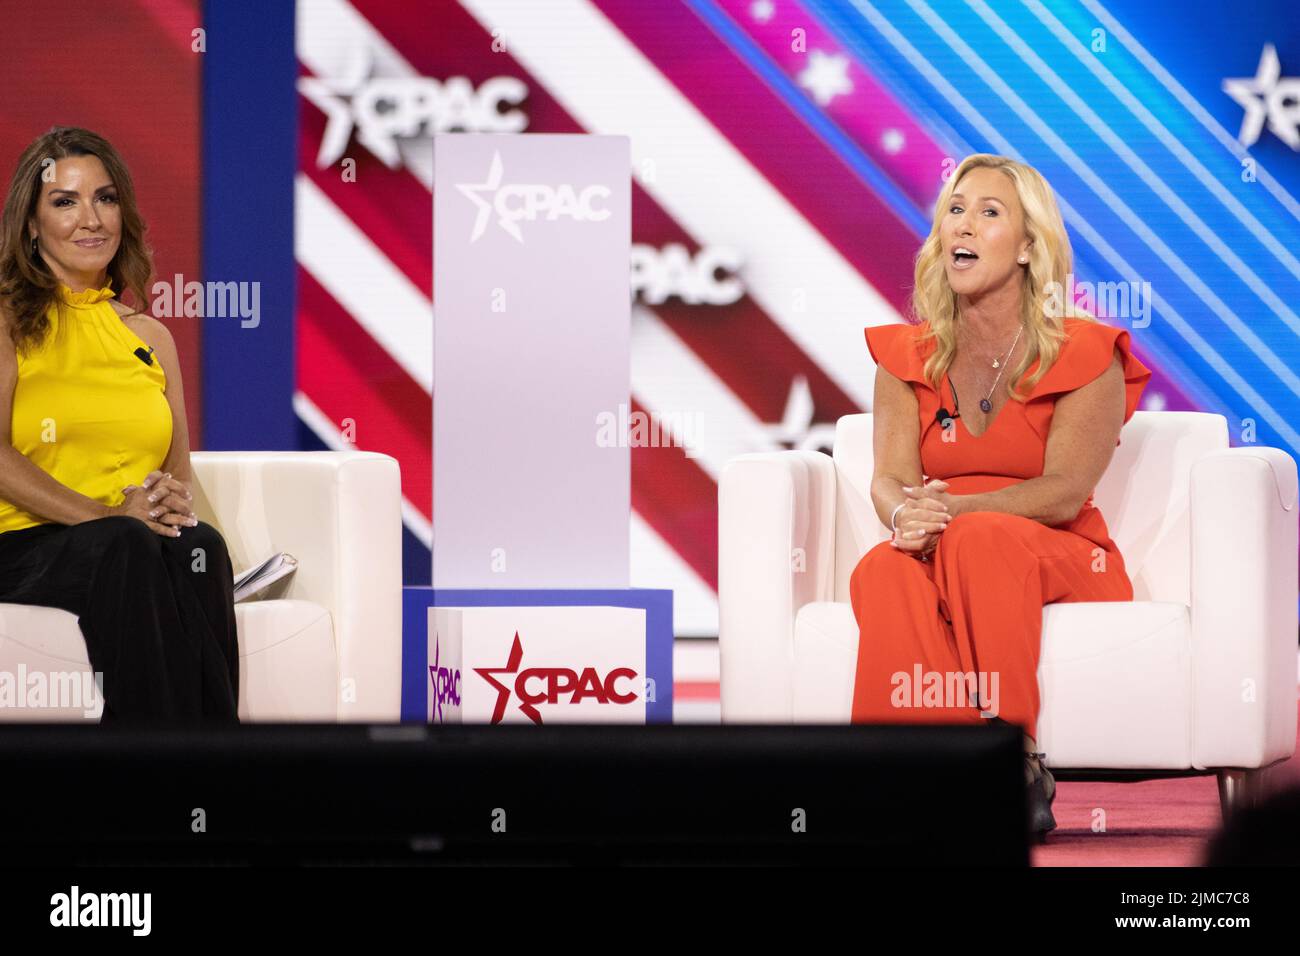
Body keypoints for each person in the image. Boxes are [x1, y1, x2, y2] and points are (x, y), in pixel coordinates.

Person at [850, 154, 1151, 841]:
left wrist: (949, 512)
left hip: (1061, 554)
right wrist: (904, 514)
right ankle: (908, 773)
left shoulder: (1085, 351)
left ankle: (1010, 758)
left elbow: (1064, 491)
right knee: (882, 568)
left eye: (990, 213)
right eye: (956, 209)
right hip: (944, 544)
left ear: (1026, 247)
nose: (965, 223)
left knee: (980, 539)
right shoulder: (907, 355)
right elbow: (889, 476)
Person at [0, 126, 239, 725]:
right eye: (65, 201)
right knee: (128, 544)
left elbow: (175, 470)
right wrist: (111, 516)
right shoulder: (7, 321)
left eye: (105, 198)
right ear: (31, 225)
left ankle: (217, 776)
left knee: (198, 546)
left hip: (121, 542)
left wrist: (162, 499)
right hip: (23, 543)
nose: (92, 219)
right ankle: (144, 777)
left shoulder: (148, 336)